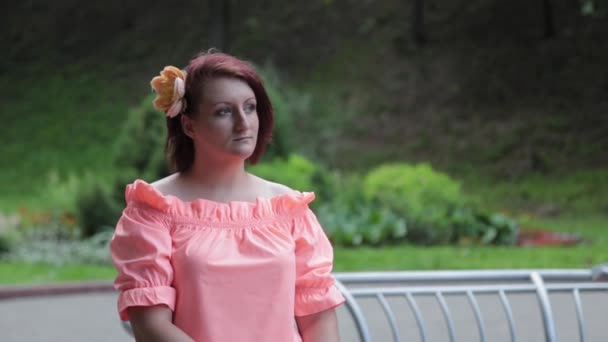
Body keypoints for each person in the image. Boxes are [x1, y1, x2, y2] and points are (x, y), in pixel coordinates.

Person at [109, 50, 345, 342]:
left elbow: (317, 317)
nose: (243, 123)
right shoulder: (153, 210)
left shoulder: (288, 210)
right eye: (224, 111)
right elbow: (151, 327)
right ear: (189, 125)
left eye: (250, 107)